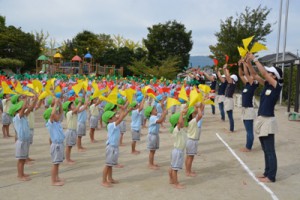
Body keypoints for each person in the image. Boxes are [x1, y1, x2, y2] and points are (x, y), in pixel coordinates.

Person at [247, 53, 283, 183]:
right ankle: (267, 173)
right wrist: (248, 63)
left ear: (274, 76)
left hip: (268, 120)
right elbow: (255, 75)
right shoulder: (267, 85)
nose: (267, 73)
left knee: (270, 150)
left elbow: (263, 73)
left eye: (270, 73)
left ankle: (271, 176)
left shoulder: (276, 85)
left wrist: (255, 59)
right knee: (265, 149)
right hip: (262, 119)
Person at [101, 108, 131, 187]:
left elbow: (121, 117)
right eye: (114, 116)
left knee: (110, 164)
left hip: (114, 147)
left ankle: (110, 178)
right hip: (111, 147)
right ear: (109, 119)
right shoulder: (111, 125)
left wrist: (127, 110)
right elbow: (120, 118)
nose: (116, 116)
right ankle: (104, 181)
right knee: (108, 164)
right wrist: (122, 110)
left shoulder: (114, 123)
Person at [9, 95, 36, 181]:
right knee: (21, 160)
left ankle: (22, 173)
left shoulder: (23, 116)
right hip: (21, 141)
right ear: (17, 110)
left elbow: (30, 108)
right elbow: (24, 107)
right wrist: (25, 99)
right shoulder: (17, 117)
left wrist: (35, 100)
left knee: (23, 159)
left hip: (25, 140)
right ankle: (20, 175)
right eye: (21, 108)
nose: (24, 109)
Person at [238, 57, 259, 152]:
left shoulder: (253, 84)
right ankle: (247, 145)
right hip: (244, 110)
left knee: (249, 130)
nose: (249, 77)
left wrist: (245, 63)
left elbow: (246, 73)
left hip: (249, 110)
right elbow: (241, 75)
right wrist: (240, 65)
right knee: (247, 129)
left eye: (251, 77)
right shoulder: (247, 84)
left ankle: (248, 147)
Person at [45, 98, 65, 186]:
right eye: (56, 114)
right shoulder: (50, 123)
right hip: (56, 145)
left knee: (58, 163)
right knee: (55, 163)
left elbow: (61, 112)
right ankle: (53, 180)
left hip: (60, 144)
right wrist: (56, 104)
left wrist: (59, 104)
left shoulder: (57, 122)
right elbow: (53, 113)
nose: (58, 114)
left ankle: (56, 177)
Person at [168, 107, 188, 189]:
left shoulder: (181, 129)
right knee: (175, 169)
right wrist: (180, 113)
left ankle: (171, 179)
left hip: (176, 151)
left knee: (172, 166)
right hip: (178, 151)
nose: (183, 121)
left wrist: (184, 113)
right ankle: (176, 183)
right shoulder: (177, 129)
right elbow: (180, 122)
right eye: (182, 120)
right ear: (177, 123)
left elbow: (181, 121)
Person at [144, 103, 167, 170]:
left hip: (155, 135)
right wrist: (164, 114)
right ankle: (150, 164)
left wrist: (164, 110)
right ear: (151, 112)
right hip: (152, 136)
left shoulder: (155, 116)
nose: (155, 109)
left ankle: (152, 163)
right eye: (154, 109)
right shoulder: (152, 118)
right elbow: (160, 121)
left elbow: (162, 115)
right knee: (152, 151)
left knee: (153, 150)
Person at [185, 103, 204, 177]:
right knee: (190, 157)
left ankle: (188, 170)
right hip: (192, 141)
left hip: (190, 140)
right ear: (191, 115)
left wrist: (200, 105)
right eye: (193, 113)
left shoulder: (190, 121)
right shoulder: (192, 121)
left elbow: (199, 113)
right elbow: (200, 115)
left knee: (188, 156)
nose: (195, 113)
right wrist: (198, 107)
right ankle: (188, 172)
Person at [63, 100, 82, 164]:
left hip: (73, 131)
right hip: (70, 131)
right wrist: (80, 103)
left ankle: (69, 158)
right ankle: (67, 159)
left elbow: (80, 109)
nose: (74, 106)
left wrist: (86, 104)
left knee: (70, 146)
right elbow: (76, 109)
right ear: (68, 108)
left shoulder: (74, 113)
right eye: (72, 105)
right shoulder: (69, 113)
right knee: (68, 146)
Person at [223, 64, 238, 132]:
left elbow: (228, 76)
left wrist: (225, 69)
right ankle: (231, 128)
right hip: (228, 99)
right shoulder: (231, 83)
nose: (229, 78)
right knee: (229, 115)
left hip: (229, 100)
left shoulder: (232, 83)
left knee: (230, 115)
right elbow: (227, 76)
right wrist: (224, 70)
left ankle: (231, 128)